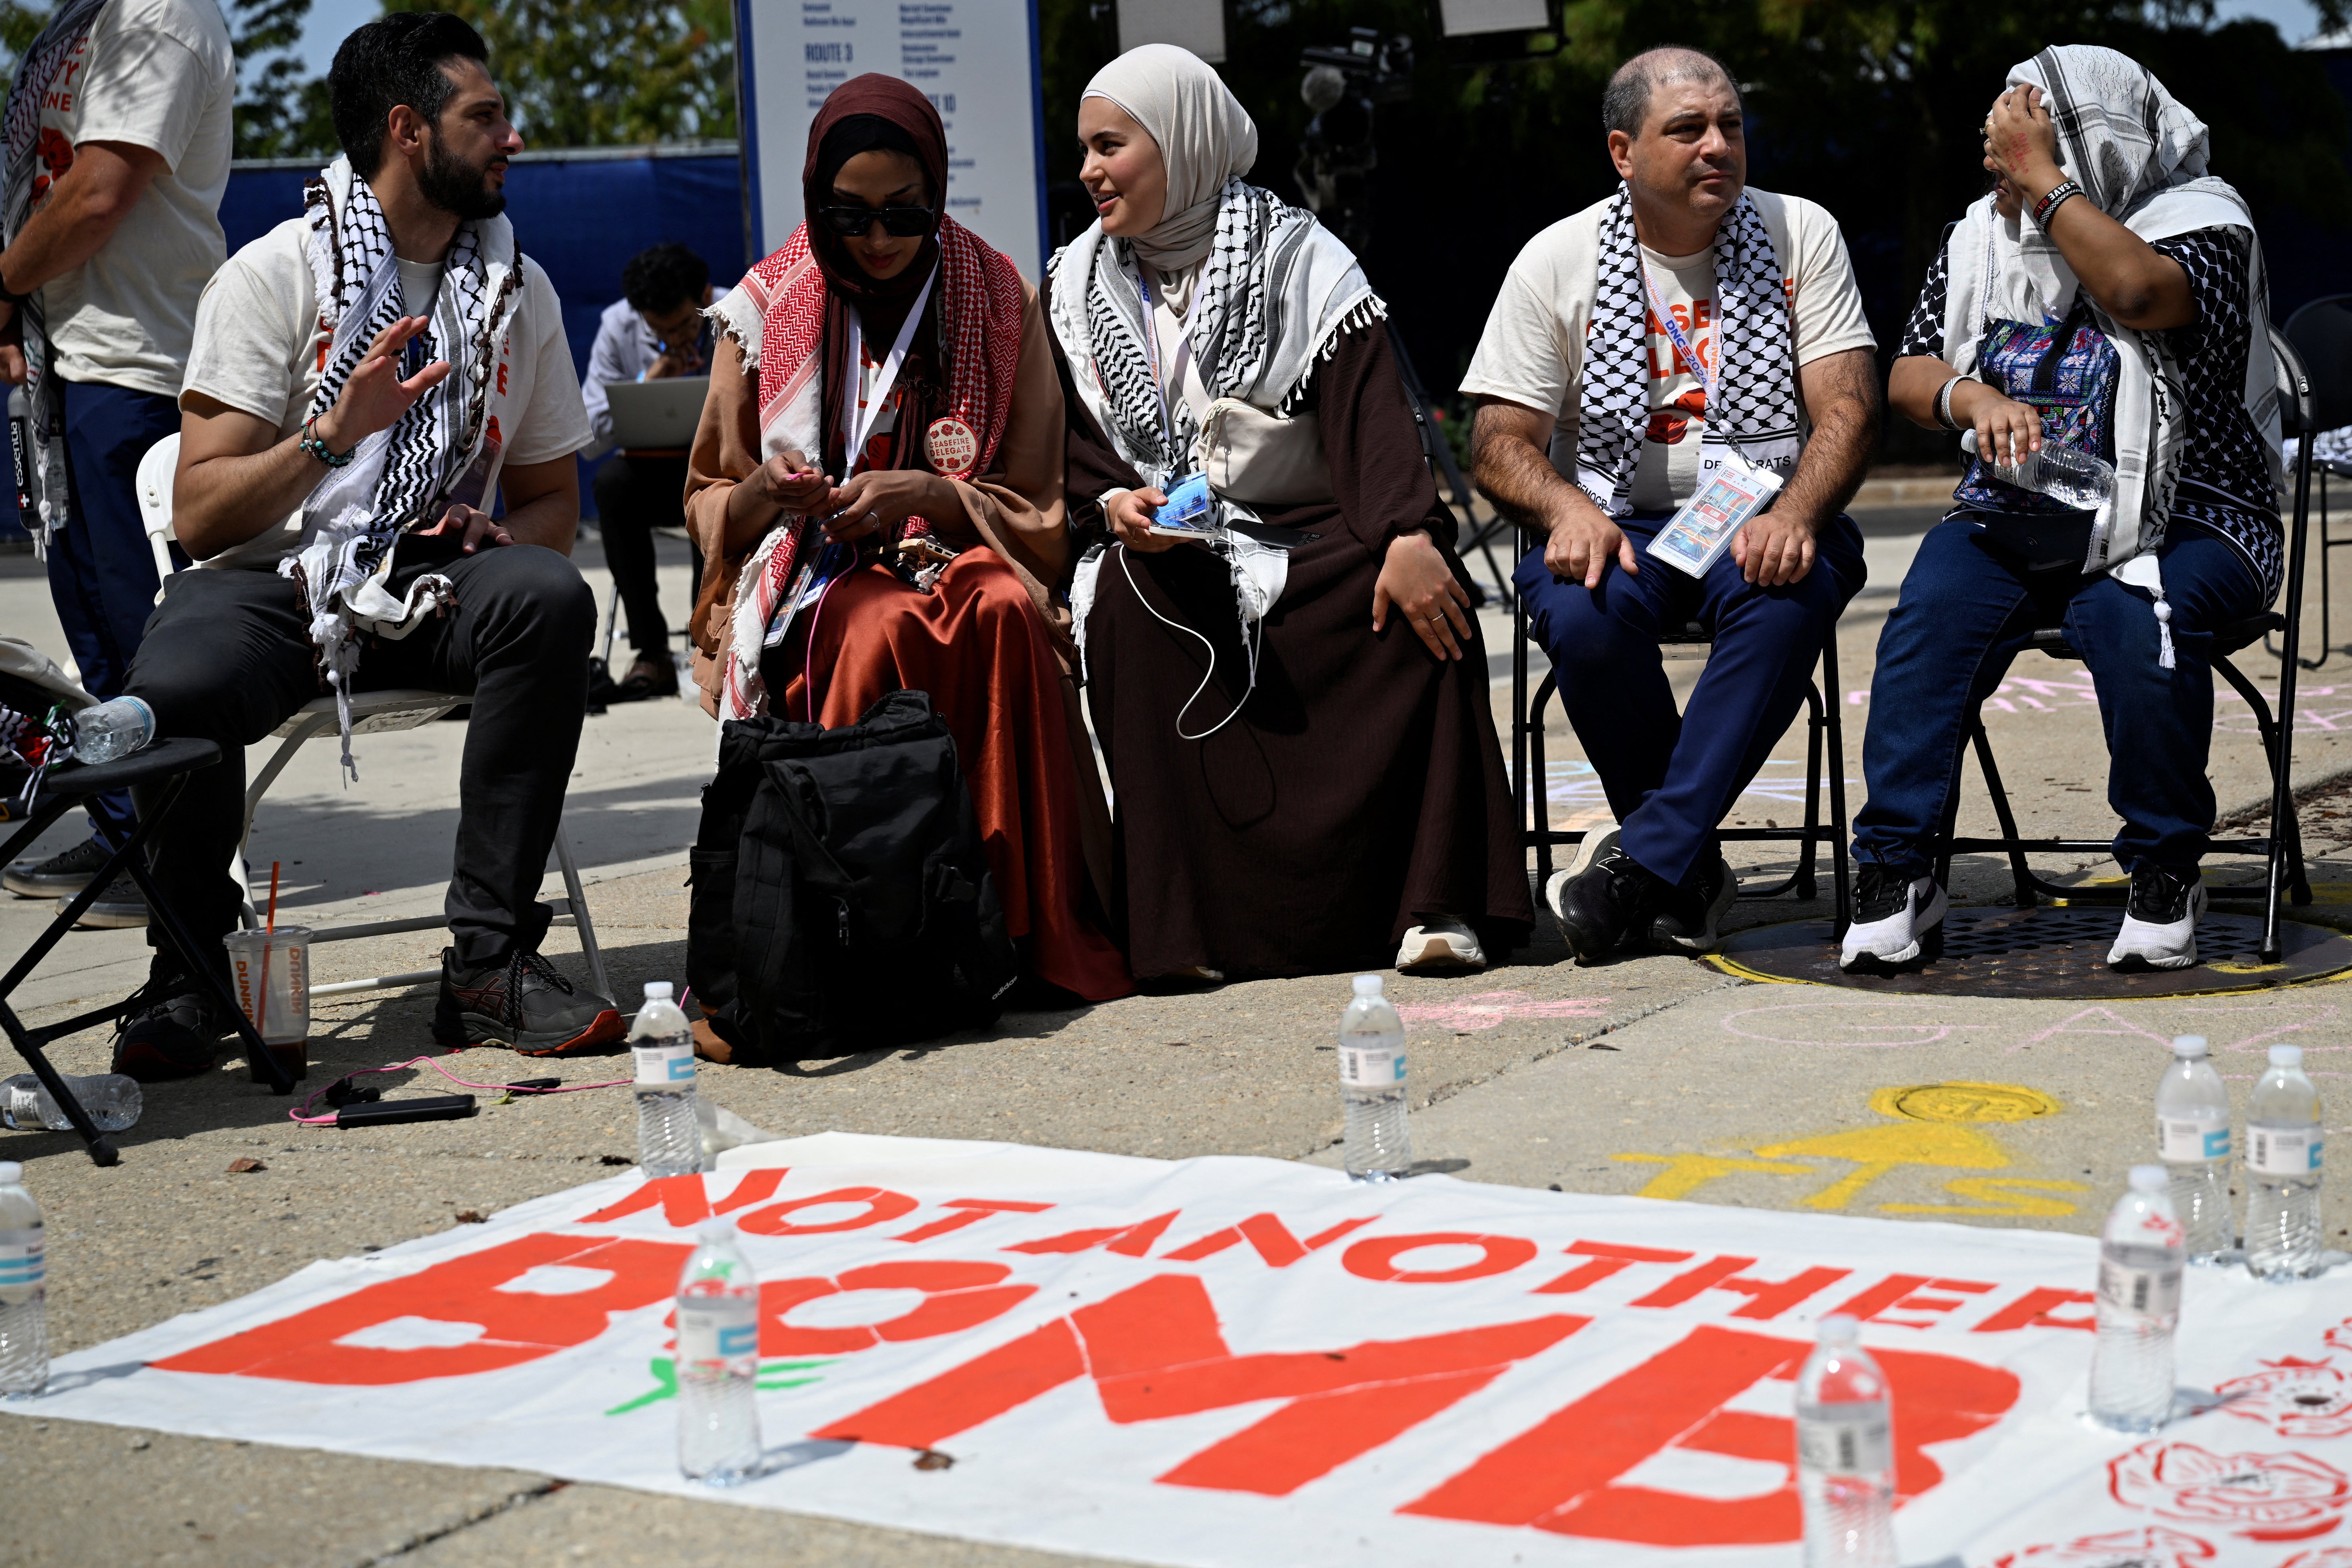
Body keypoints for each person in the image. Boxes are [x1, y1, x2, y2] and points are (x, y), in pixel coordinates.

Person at [111, 12, 617, 1079]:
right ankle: (192, 972)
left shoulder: (517, 287)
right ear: (409, 130)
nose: (510, 137)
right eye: (485, 117)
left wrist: (494, 531)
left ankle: (486, 964)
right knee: (178, 679)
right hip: (269, 580)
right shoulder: (273, 275)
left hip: (428, 583)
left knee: (548, 595)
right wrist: (332, 431)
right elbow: (202, 515)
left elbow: (548, 502)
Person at [1049, 45, 1531, 984]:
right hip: (1170, 547)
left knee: (1415, 596)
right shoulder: (1072, 288)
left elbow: (1370, 418)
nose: (1088, 171)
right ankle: (1188, 932)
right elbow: (1070, 452)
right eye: (1084, 149)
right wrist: (1111, 505)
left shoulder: (1299, 258)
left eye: (1109, 145)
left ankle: (1431, 904)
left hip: (1306, 531)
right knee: (1128, 603)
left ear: (1181, 143)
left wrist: (1402, 533)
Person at [686, 72, 1132, 1044]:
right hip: (813, 571)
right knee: (875, 622)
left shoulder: (996, 293)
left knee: (1002, 613)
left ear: (936, 196)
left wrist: (927, 494)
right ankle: (866, 937)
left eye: (905, 213)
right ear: (814, 202)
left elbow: (1036, 502)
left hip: (959, 545)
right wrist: (775, 488)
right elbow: (709, 500)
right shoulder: (763, 308)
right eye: (850, 216)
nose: (880, 238)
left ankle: (1025, 929)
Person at [1842, 47, 2282, 974]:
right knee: (1924, 614)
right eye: (1999, 137)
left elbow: (2136, 292)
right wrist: (1970, 399)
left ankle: (2163, 869)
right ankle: (1898, 873)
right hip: (2022, 509)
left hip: (2195, 515)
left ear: (2092, 143)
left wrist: (2043, 183)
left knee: (2133, 610)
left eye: (2027, 135)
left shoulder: (2203, 221)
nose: (1997, 154)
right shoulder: (1980, 236)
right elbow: (1911, 371)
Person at [1466, 45, 1879, 964]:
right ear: (1622, 152)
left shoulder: (1795, 231)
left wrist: (1796, 513)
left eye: (1729, 126)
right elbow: (1496, 444)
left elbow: (1847, 407)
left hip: (1766, 511)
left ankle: (1643, 864)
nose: (1716, 148)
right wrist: (1566, 509)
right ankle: (1683, 869)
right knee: (1581, 613)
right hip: (1619, 522)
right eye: (1686, 129)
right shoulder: (1557, 259)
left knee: (1786, 595)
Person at [0, 0, 232, 928]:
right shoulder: (80, 15)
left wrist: (3, 281)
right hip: (67, 360)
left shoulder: (161, 8)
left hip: (136, 363)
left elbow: (99, 191)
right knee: (89, 628)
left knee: (146, 637)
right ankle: (123, 835)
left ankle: (180, 874)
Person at [579, 241, 722, 699]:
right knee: (610, 486)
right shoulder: (617, 326)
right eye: (660, 330)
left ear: (705, 296)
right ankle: (651, 652)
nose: (678, 337)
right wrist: (649, 382)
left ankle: (711, 643)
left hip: (718, 472)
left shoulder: (738, 312)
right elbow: (590, 440)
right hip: (652, 474)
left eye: (684, 325)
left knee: (717, 494)